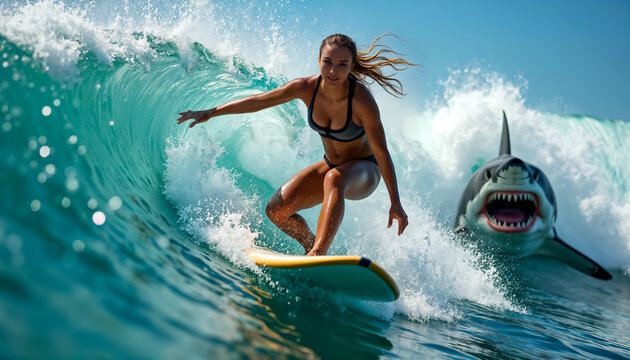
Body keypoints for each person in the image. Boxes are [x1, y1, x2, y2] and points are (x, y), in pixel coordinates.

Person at [177, 34, 413, 256]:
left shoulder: (361, 100)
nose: (333, 70)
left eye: (342, 64)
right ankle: (311, 246)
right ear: (318, 60)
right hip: (331, 163)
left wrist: (395, 202)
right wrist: (213, 112)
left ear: (352, 66)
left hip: (365, 170)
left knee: (334, 178)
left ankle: (318, 253)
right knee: (276, 211)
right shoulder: (305, 88)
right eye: (328, 61)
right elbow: (258, 102)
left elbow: (382, 153)